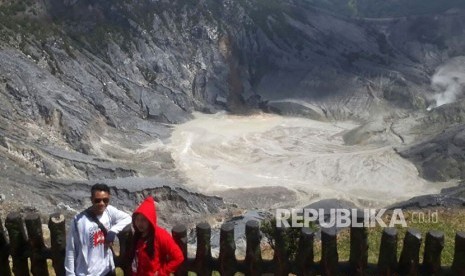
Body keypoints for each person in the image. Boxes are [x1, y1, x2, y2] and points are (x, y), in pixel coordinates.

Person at [65, 183, 132, 276]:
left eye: (105, 200)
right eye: (98, 200)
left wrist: (113, 231)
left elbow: (128, 218)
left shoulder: (109, 211)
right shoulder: (78, 221)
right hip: (86, 273)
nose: (102, 203)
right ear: (91, 199)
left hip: (107, 270)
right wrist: (70, 274)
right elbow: (71, 250)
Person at [129, 196, 184, 276]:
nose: (139, 223)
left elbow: (178, 257)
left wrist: (161, 273)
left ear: (150, 220)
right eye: (137, 219)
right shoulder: (138, 234)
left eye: (143, 220)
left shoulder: (161, 235)